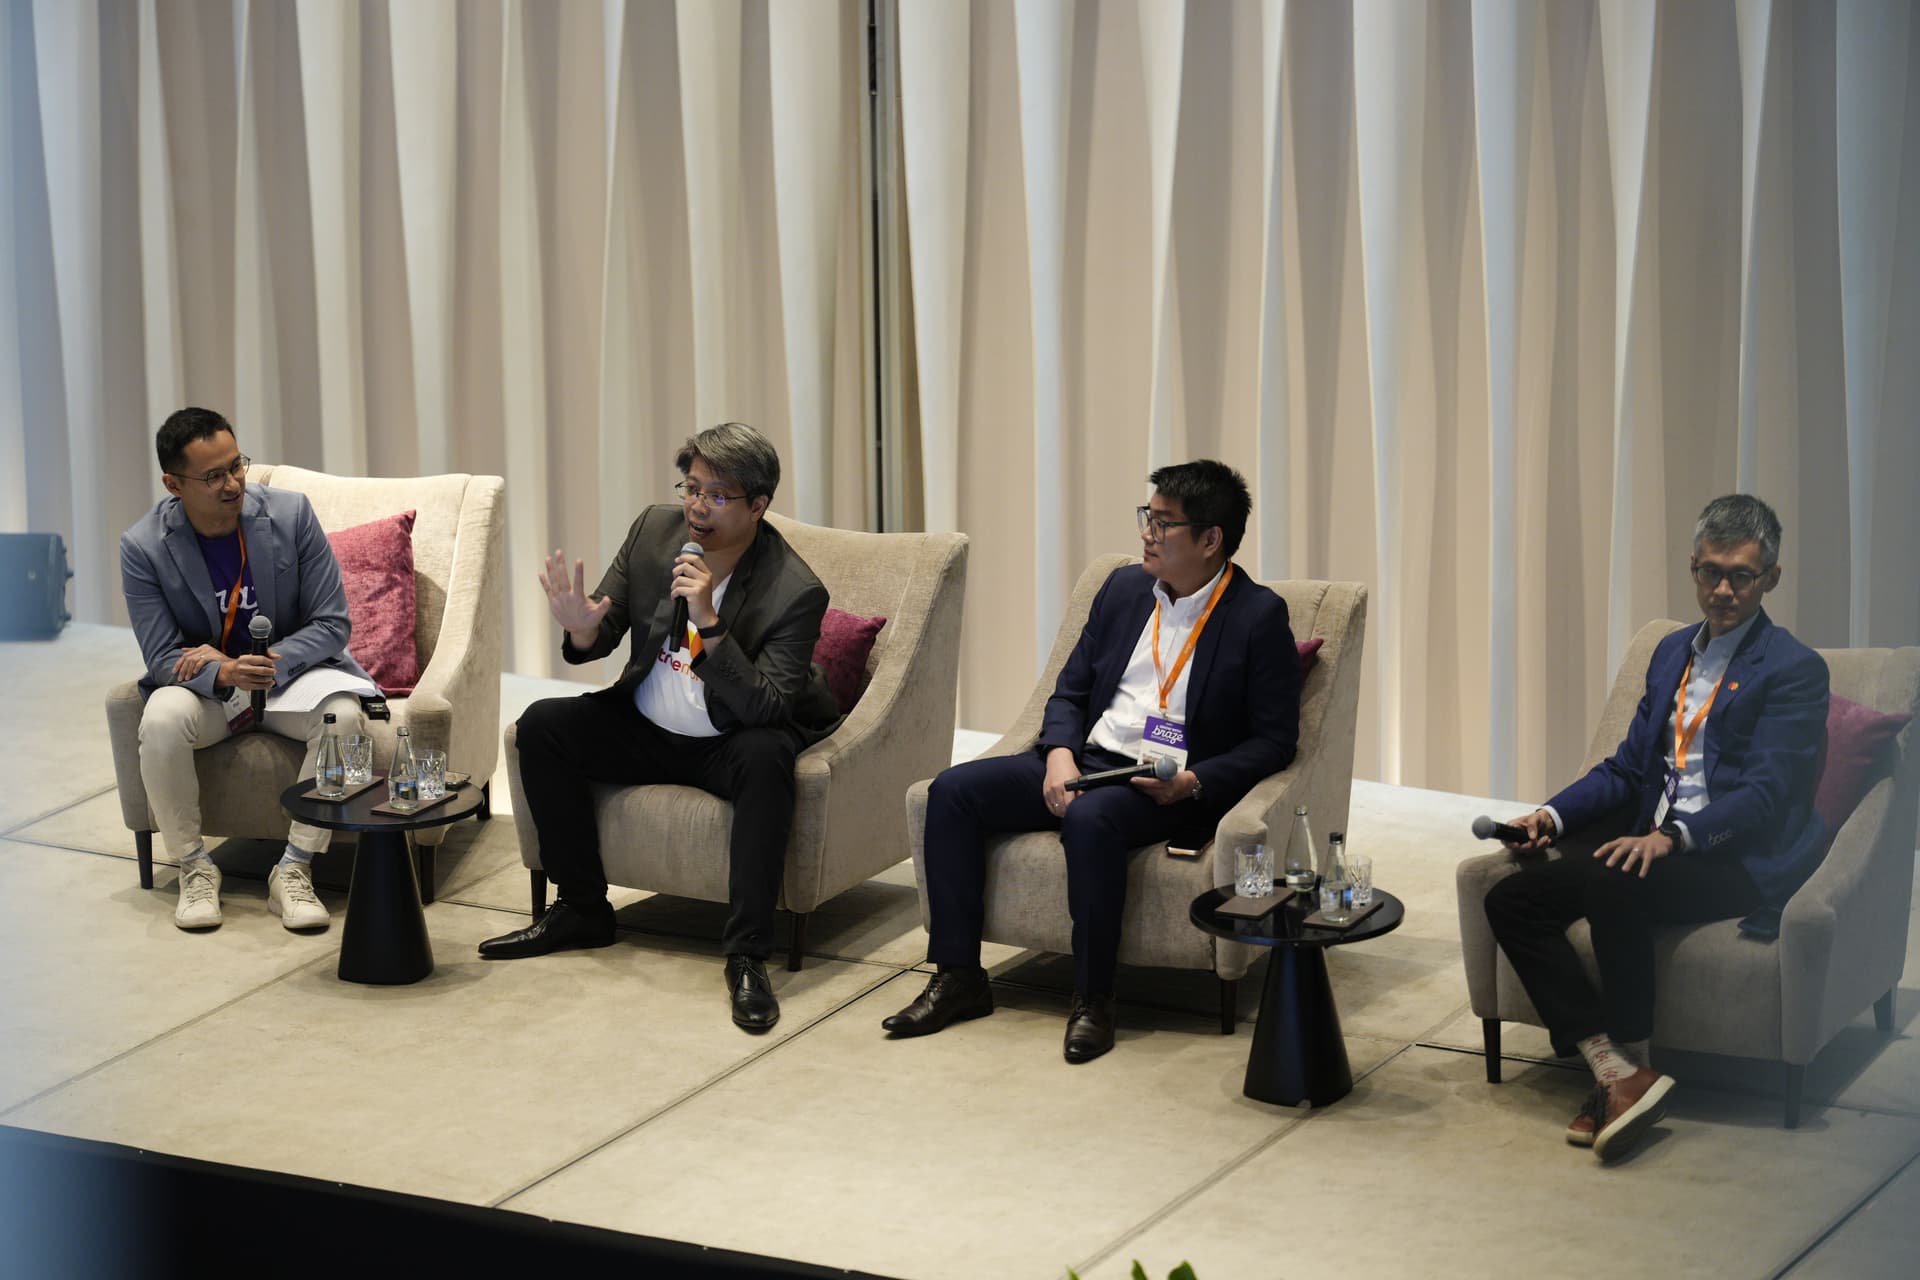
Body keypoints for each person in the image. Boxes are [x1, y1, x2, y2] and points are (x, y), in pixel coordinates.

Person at [886, 460, 1303, 1063]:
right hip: (1084, 759)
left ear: (1212, 539)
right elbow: (1070, 691)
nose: (1147, 535)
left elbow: (1274, 741)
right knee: (952, 792)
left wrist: (1193, 783)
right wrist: (1057, 755)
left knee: (1091, 820)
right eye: (1147, 519)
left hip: (1159, 782)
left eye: (1164, 525)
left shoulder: (1257, 617)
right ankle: (959, 976)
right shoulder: (1124, 588)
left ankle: (1093, 998)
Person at [1484, 494, 1828, 1161]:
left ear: (1772, 580)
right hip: (1650, 850)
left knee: (1618, 878)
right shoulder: (1671, 651)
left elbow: (1763, 796)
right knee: (1511, 899)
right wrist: (1549, 816)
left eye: (1741, 576)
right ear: (1692, 567)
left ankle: (1629, 1067)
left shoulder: (1792, 670)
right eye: (1709, 573)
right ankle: (1616, 1071)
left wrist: (1675, 837)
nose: (1722, 590)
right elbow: (1624, 770)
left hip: (1732, 859)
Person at [479, 422, 841, 1033]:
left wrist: (708, 620)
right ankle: (583, 908)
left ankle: (749, 956)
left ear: (758, 506)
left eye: (718, 496)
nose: (697, 507)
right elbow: (605, 623)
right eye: (691, 488)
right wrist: (581, 627)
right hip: (647, 723)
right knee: (542, 727)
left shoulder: (795, 590)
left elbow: (766, 706)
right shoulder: (654, 530)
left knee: (768, 758)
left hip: (729, 737)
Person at [121, 407, 372, 933]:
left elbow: (332, 624)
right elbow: (162, 656)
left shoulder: (291, 515)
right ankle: (193, 866)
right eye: (214, 475)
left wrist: (257, 666)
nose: (233, 483)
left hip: (291, 683)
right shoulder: (143, 548)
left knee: (346, 722)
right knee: (161, 718)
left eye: (237, 466)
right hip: (211, 694)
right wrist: (226, 675)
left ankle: (296, 868)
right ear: (173, 483)